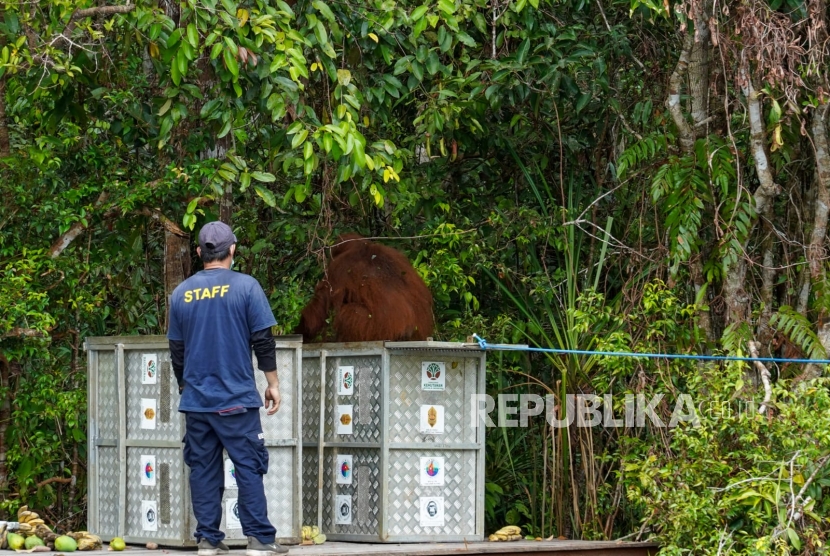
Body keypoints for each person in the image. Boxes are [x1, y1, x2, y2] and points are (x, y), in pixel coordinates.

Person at [167, 221, 288, 556]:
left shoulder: (181, 294)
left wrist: (184, 386)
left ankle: (207, 540)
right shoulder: (246, 287)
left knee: (203, 469)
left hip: (197, 403)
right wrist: (273, 383)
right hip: (236, 401)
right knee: (248, 465)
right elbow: (263, 340)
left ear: (199, 252)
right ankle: (260, 540)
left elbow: (177, 351)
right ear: (232, 250)